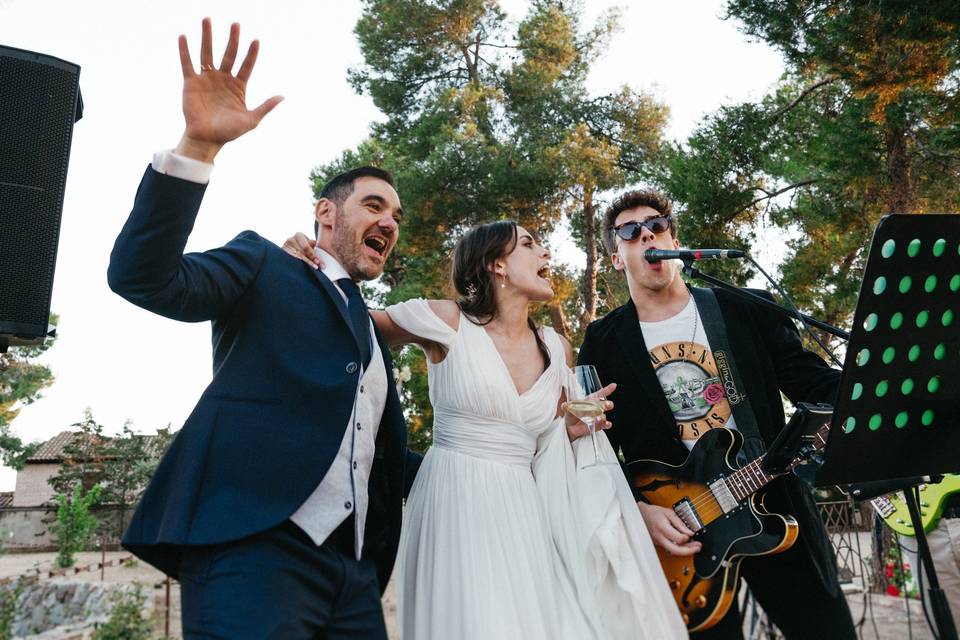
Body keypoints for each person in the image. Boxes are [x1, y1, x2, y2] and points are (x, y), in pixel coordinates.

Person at [107, 19, 419, 638]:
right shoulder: (264, 264)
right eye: (375, 205)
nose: (391, 221)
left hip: (355, 575)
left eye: (398, 215)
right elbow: (143, 278)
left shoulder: (372, 334)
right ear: (325, 214)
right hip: (252, 549)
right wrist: (198, 147)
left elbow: (380, 454)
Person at [284, 222, 688, 639]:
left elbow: (543, 451)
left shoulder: (556, 348)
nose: (546, 253)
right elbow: (349, 323)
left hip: (528, 509)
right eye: (530, 245)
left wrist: (566, 431)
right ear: (497, 265)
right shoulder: (447, 321)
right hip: (454, 499)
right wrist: (306, 267)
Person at [576, 189, 857, 639]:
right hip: (683, 529)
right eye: (629, 231)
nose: (646, 232)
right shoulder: (603, 342)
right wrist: (637, 510)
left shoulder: (744, 308)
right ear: (615, 257)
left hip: (775, 503)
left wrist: (879, 380)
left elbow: (814, 382)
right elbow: (595, 447)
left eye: (657, 223)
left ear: (674, 238)